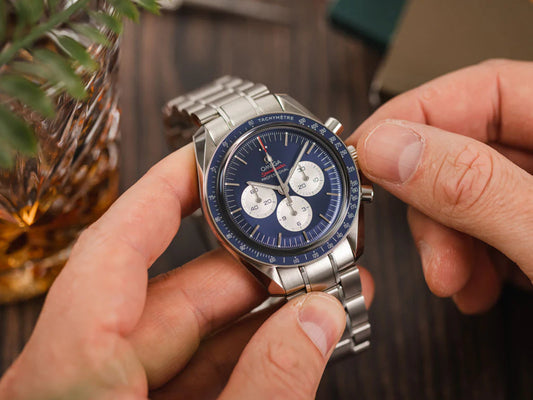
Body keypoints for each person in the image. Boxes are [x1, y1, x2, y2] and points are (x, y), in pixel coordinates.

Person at [0, 59, 531, 400]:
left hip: (317, 227)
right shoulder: (227, 182)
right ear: (218, 217)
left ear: (338, 158)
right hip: (284, 241)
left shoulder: (299, 139)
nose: (279, 189)